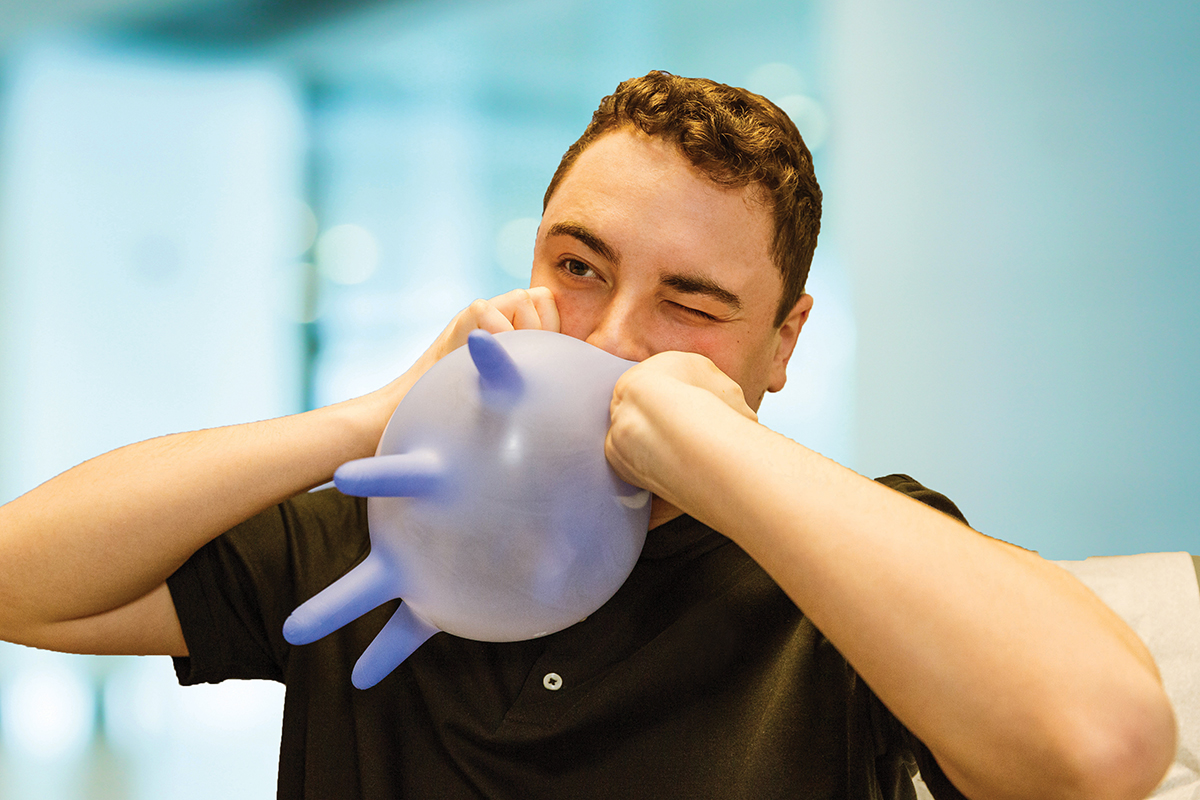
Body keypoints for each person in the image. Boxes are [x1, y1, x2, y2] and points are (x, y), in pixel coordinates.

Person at [0, 71, 1177, 799]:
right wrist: (369, 414)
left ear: (783, 340)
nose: (612, 340)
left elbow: (1102, 747)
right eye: (578, 267)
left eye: (693, 304)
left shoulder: (848, 564)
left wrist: (713, 446)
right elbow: (20, 578)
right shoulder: (387, 526)